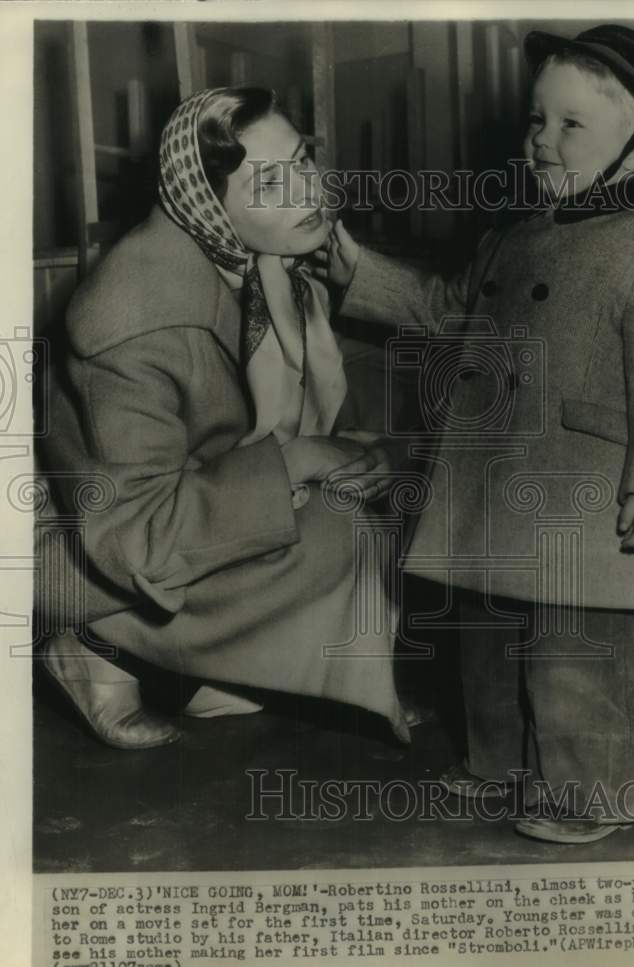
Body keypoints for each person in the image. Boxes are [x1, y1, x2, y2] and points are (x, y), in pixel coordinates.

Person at [318, 25, 634, 843]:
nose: (541, 139)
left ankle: (586, 792)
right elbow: (447, 312)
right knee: (487, 648)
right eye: (538, 120)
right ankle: (498, 761)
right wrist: (356, 266)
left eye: (572, 125)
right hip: (493, 481)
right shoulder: (513, 233)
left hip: (584, 491)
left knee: (579, 654)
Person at [38, 87, 409, 750]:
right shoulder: (127, 317)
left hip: (185, 502)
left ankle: (192, 665)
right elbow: (137, 536)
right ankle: (97, 645)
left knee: (390, 495)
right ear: (208, 201)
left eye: (303, 162)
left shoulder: (268, 263)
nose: (307, 192)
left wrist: (359, 451)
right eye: (269, 182)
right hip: (88, 545)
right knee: (344, 532)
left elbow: (296, 412)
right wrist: (299, 462)